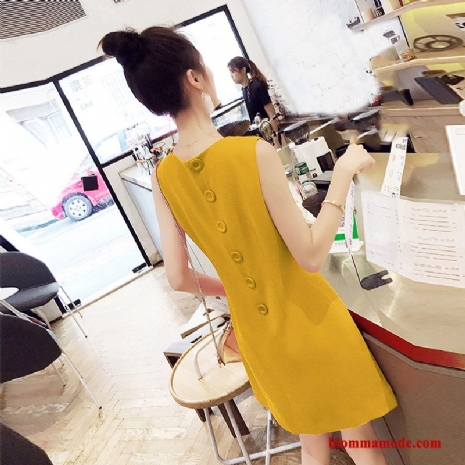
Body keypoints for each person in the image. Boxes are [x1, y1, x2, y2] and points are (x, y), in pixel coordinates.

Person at [100, 26, 398, 465]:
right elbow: (311, 255)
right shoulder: (251, 153)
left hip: (258, 339)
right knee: (360, 440)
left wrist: (232, 287)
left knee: (312, 442)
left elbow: (178, 278)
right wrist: (343, 172)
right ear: (194, 78)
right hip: (310, 322)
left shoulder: (163, 177)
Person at [228, 56, 281, 147]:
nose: (231, 76)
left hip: (270, 135)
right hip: (259, 138)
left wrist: (276, 139)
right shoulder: (244, 91)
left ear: (243, 70)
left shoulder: (257, 86)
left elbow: (271, 114)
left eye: (233, 72)